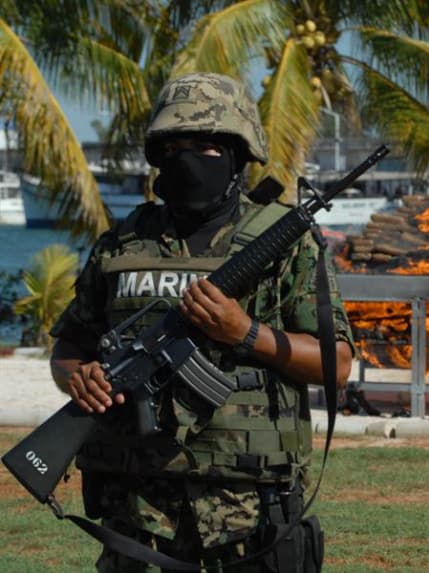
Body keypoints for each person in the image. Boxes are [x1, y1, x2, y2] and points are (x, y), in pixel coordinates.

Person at [48, 72, 354, 572]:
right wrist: (77, 378)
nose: (188, 158)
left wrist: (246, 333)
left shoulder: (285, 244)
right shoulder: (121, 247)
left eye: (207, 145)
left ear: (238, 156)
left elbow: (336, 365)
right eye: (175, 145)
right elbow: (69, 348)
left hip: (250, 523)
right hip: (137, 523)